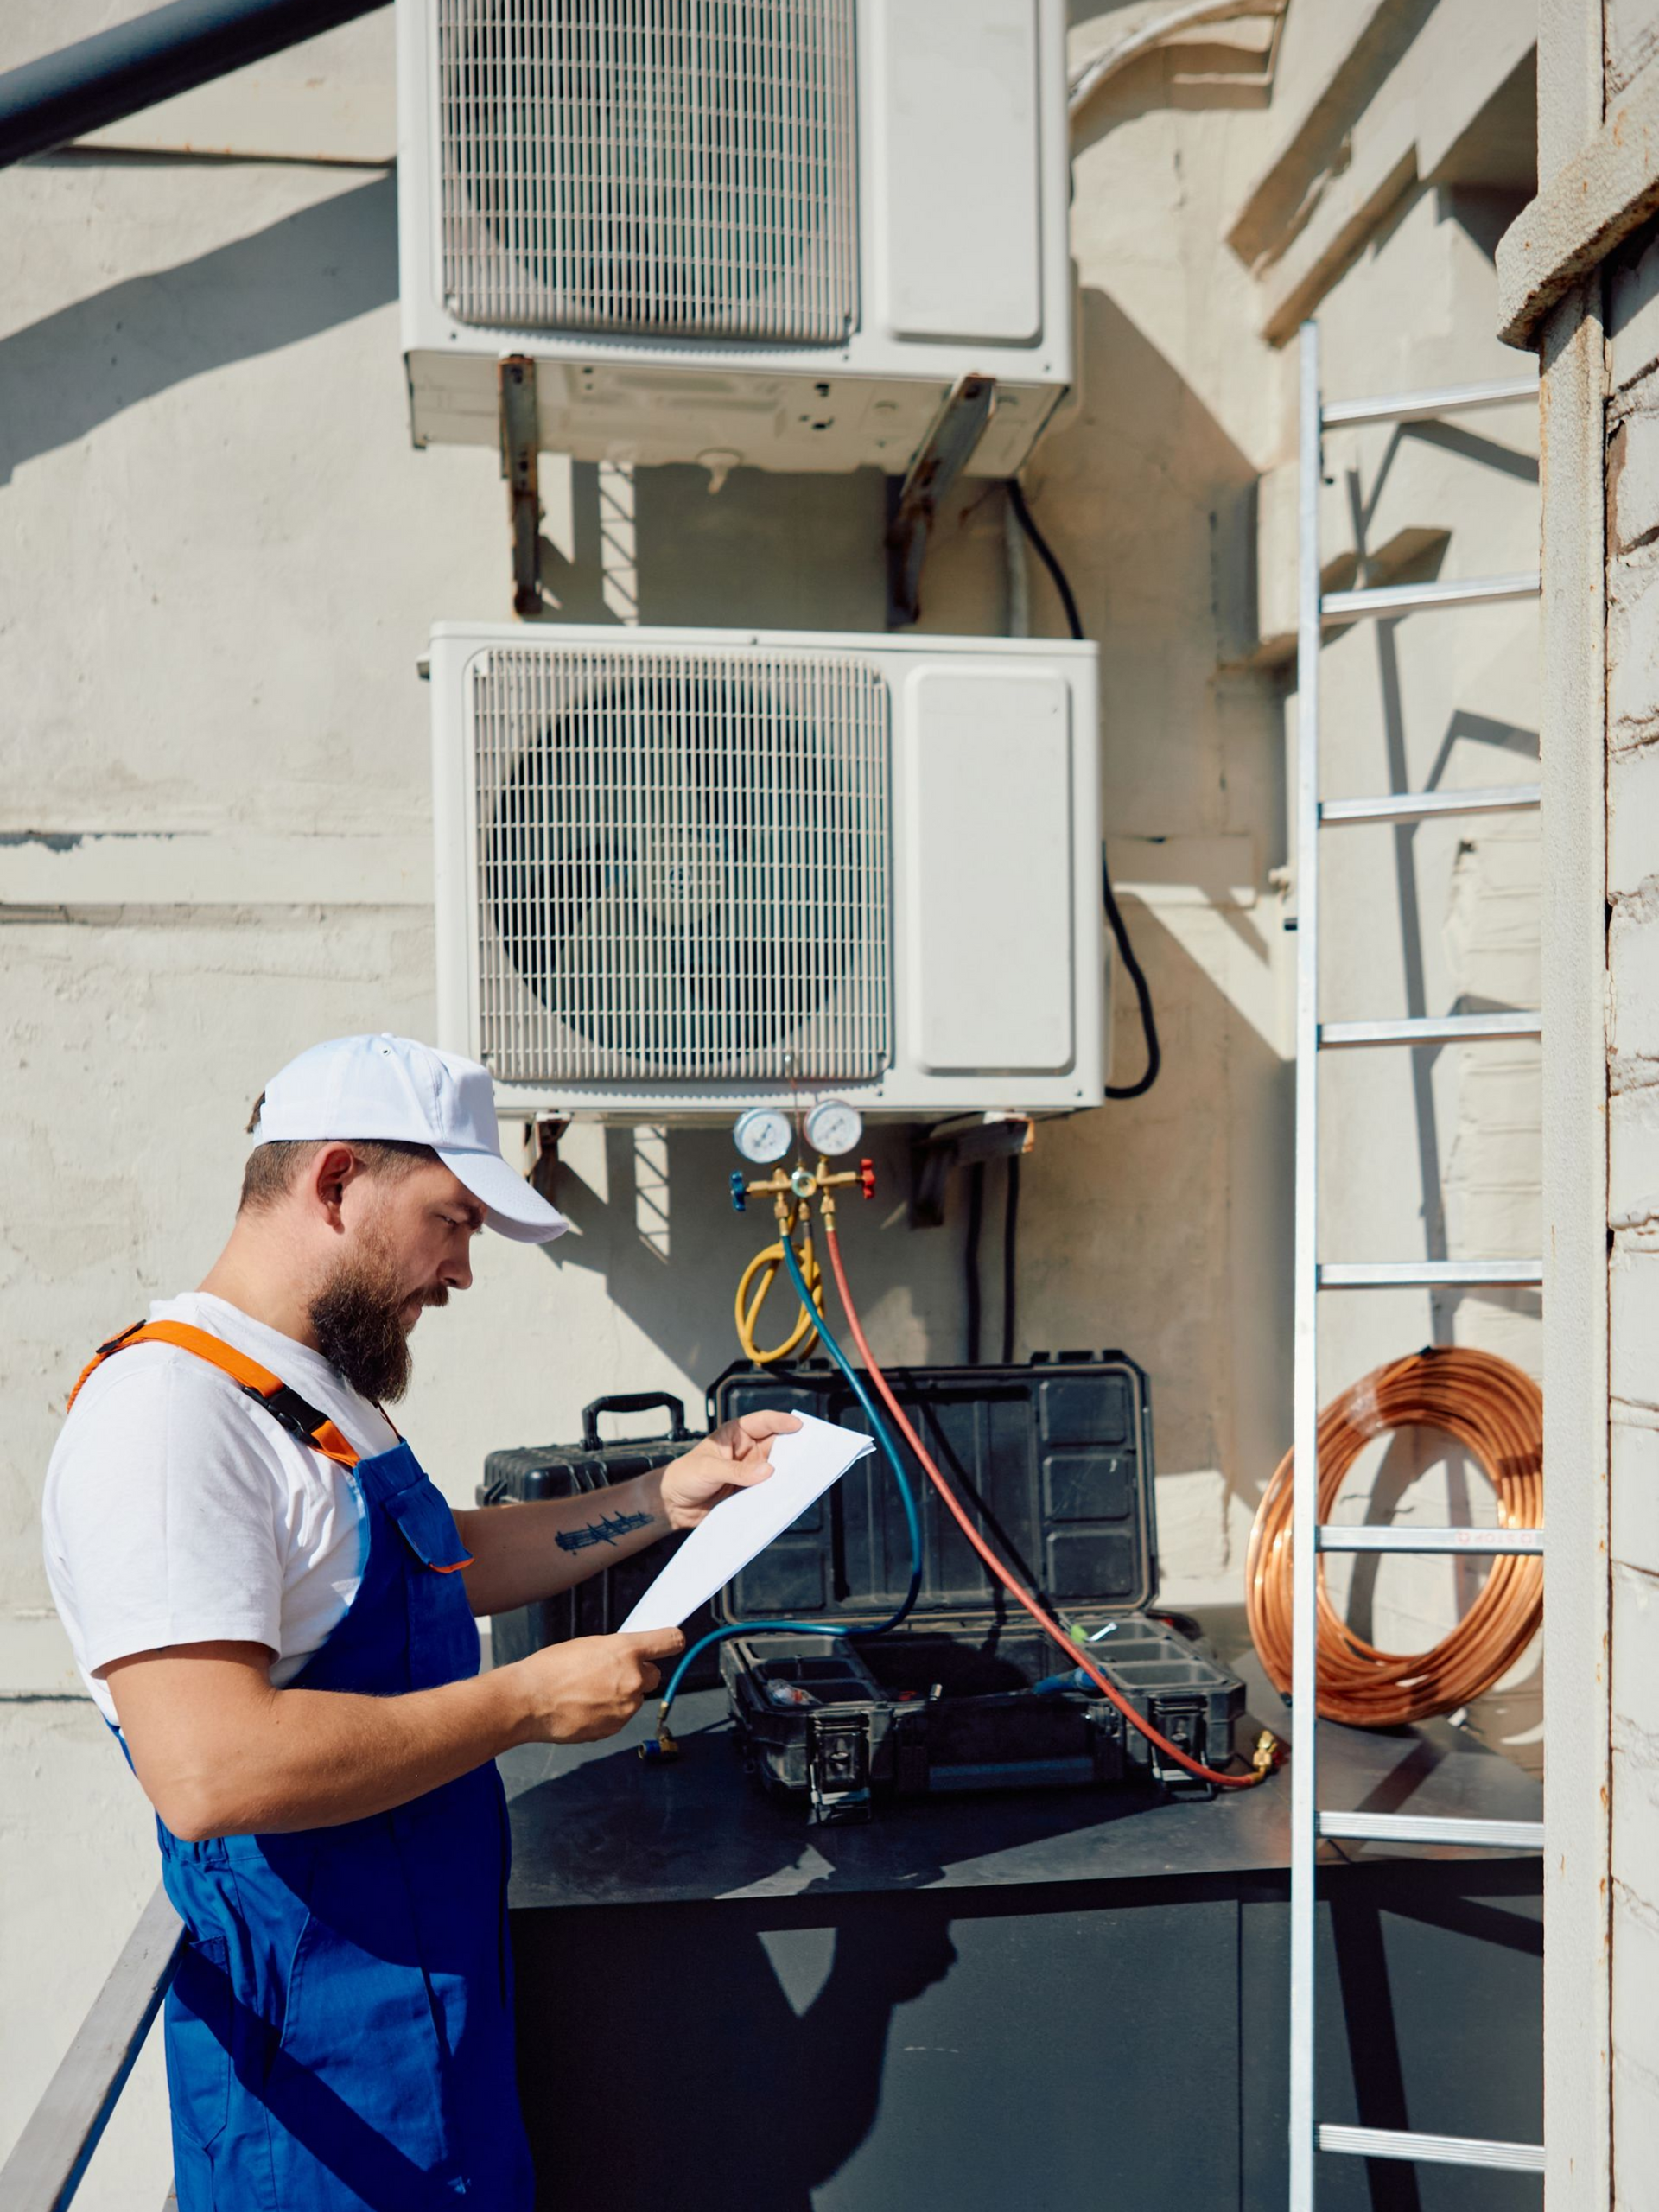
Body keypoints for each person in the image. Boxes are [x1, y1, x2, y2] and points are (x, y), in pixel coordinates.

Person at [41, 1033, 798, 2212]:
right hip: (320, 2099)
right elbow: (208, 1770)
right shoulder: (170, 1421)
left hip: (434, 2031)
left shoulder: (305, 1389)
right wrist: (528, 1702)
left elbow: (438, 1556)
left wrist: (667, 1495)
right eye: (452, 1221)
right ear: (336, 1182)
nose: (461, 1271)